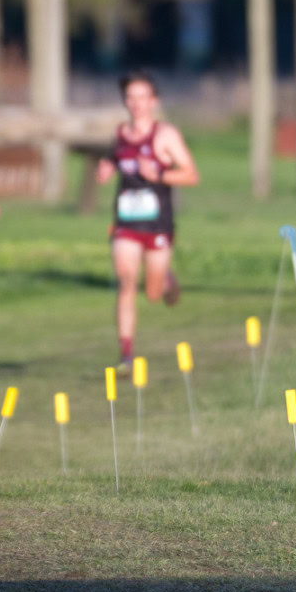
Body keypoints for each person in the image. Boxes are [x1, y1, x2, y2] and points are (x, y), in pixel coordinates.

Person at [94, 71, 199, 370]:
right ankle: (126, 355)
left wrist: (160, 175)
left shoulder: (165, 135)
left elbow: (191, 174)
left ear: (153, 101)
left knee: (152, 294)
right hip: (126, 224)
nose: (136, 103)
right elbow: (114, 162)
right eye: (131, 97)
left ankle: (165, 281)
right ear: (125, 101)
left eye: (143, 97)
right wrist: (106, 170)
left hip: (158, 226)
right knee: (127, 283)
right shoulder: (119, 134)